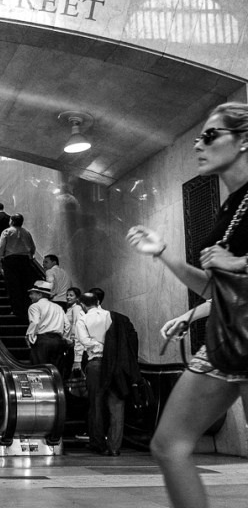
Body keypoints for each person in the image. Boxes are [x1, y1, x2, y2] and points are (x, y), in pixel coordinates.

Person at [126, 102, 248, 508]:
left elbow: (233, 272)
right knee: (169, 444)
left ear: (243, 140)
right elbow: (216, 288)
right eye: (197, 137)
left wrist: (240, 263)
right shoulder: (231, 206)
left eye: (210, 136)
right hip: (226, 342)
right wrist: (163, 254)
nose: (198, 144)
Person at [72, 292, 124, 457]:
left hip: (96, 363)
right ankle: (114, 447)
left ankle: (98, 444)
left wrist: (98, 346)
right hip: (114, 364)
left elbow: (84, 341)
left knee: (96, 403)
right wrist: (108, 348)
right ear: (98, 302)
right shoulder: (111, 316)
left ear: (82, 305)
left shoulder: (83, 320)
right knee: (116, 404)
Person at [0, 213, 37, 321]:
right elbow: (32, 248)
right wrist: (30, 256)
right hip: (25, 260)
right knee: (24, 285)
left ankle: (16, 310)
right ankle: (26, 310)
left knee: (13, 286)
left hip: (11, 260)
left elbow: (1, 247)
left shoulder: (7, 232)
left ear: (12, 221)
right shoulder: (26, 232)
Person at [25, 280, 69, 373]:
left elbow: (35, 322)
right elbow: (67, 325)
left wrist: (30, 337)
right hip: (58, 341)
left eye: (32, 293)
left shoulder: (34, 306)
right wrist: (64, 338)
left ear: (40, 294)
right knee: (56, 371)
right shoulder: (58, 307)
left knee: (41, 371)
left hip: (42, 341)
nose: (30, 296)